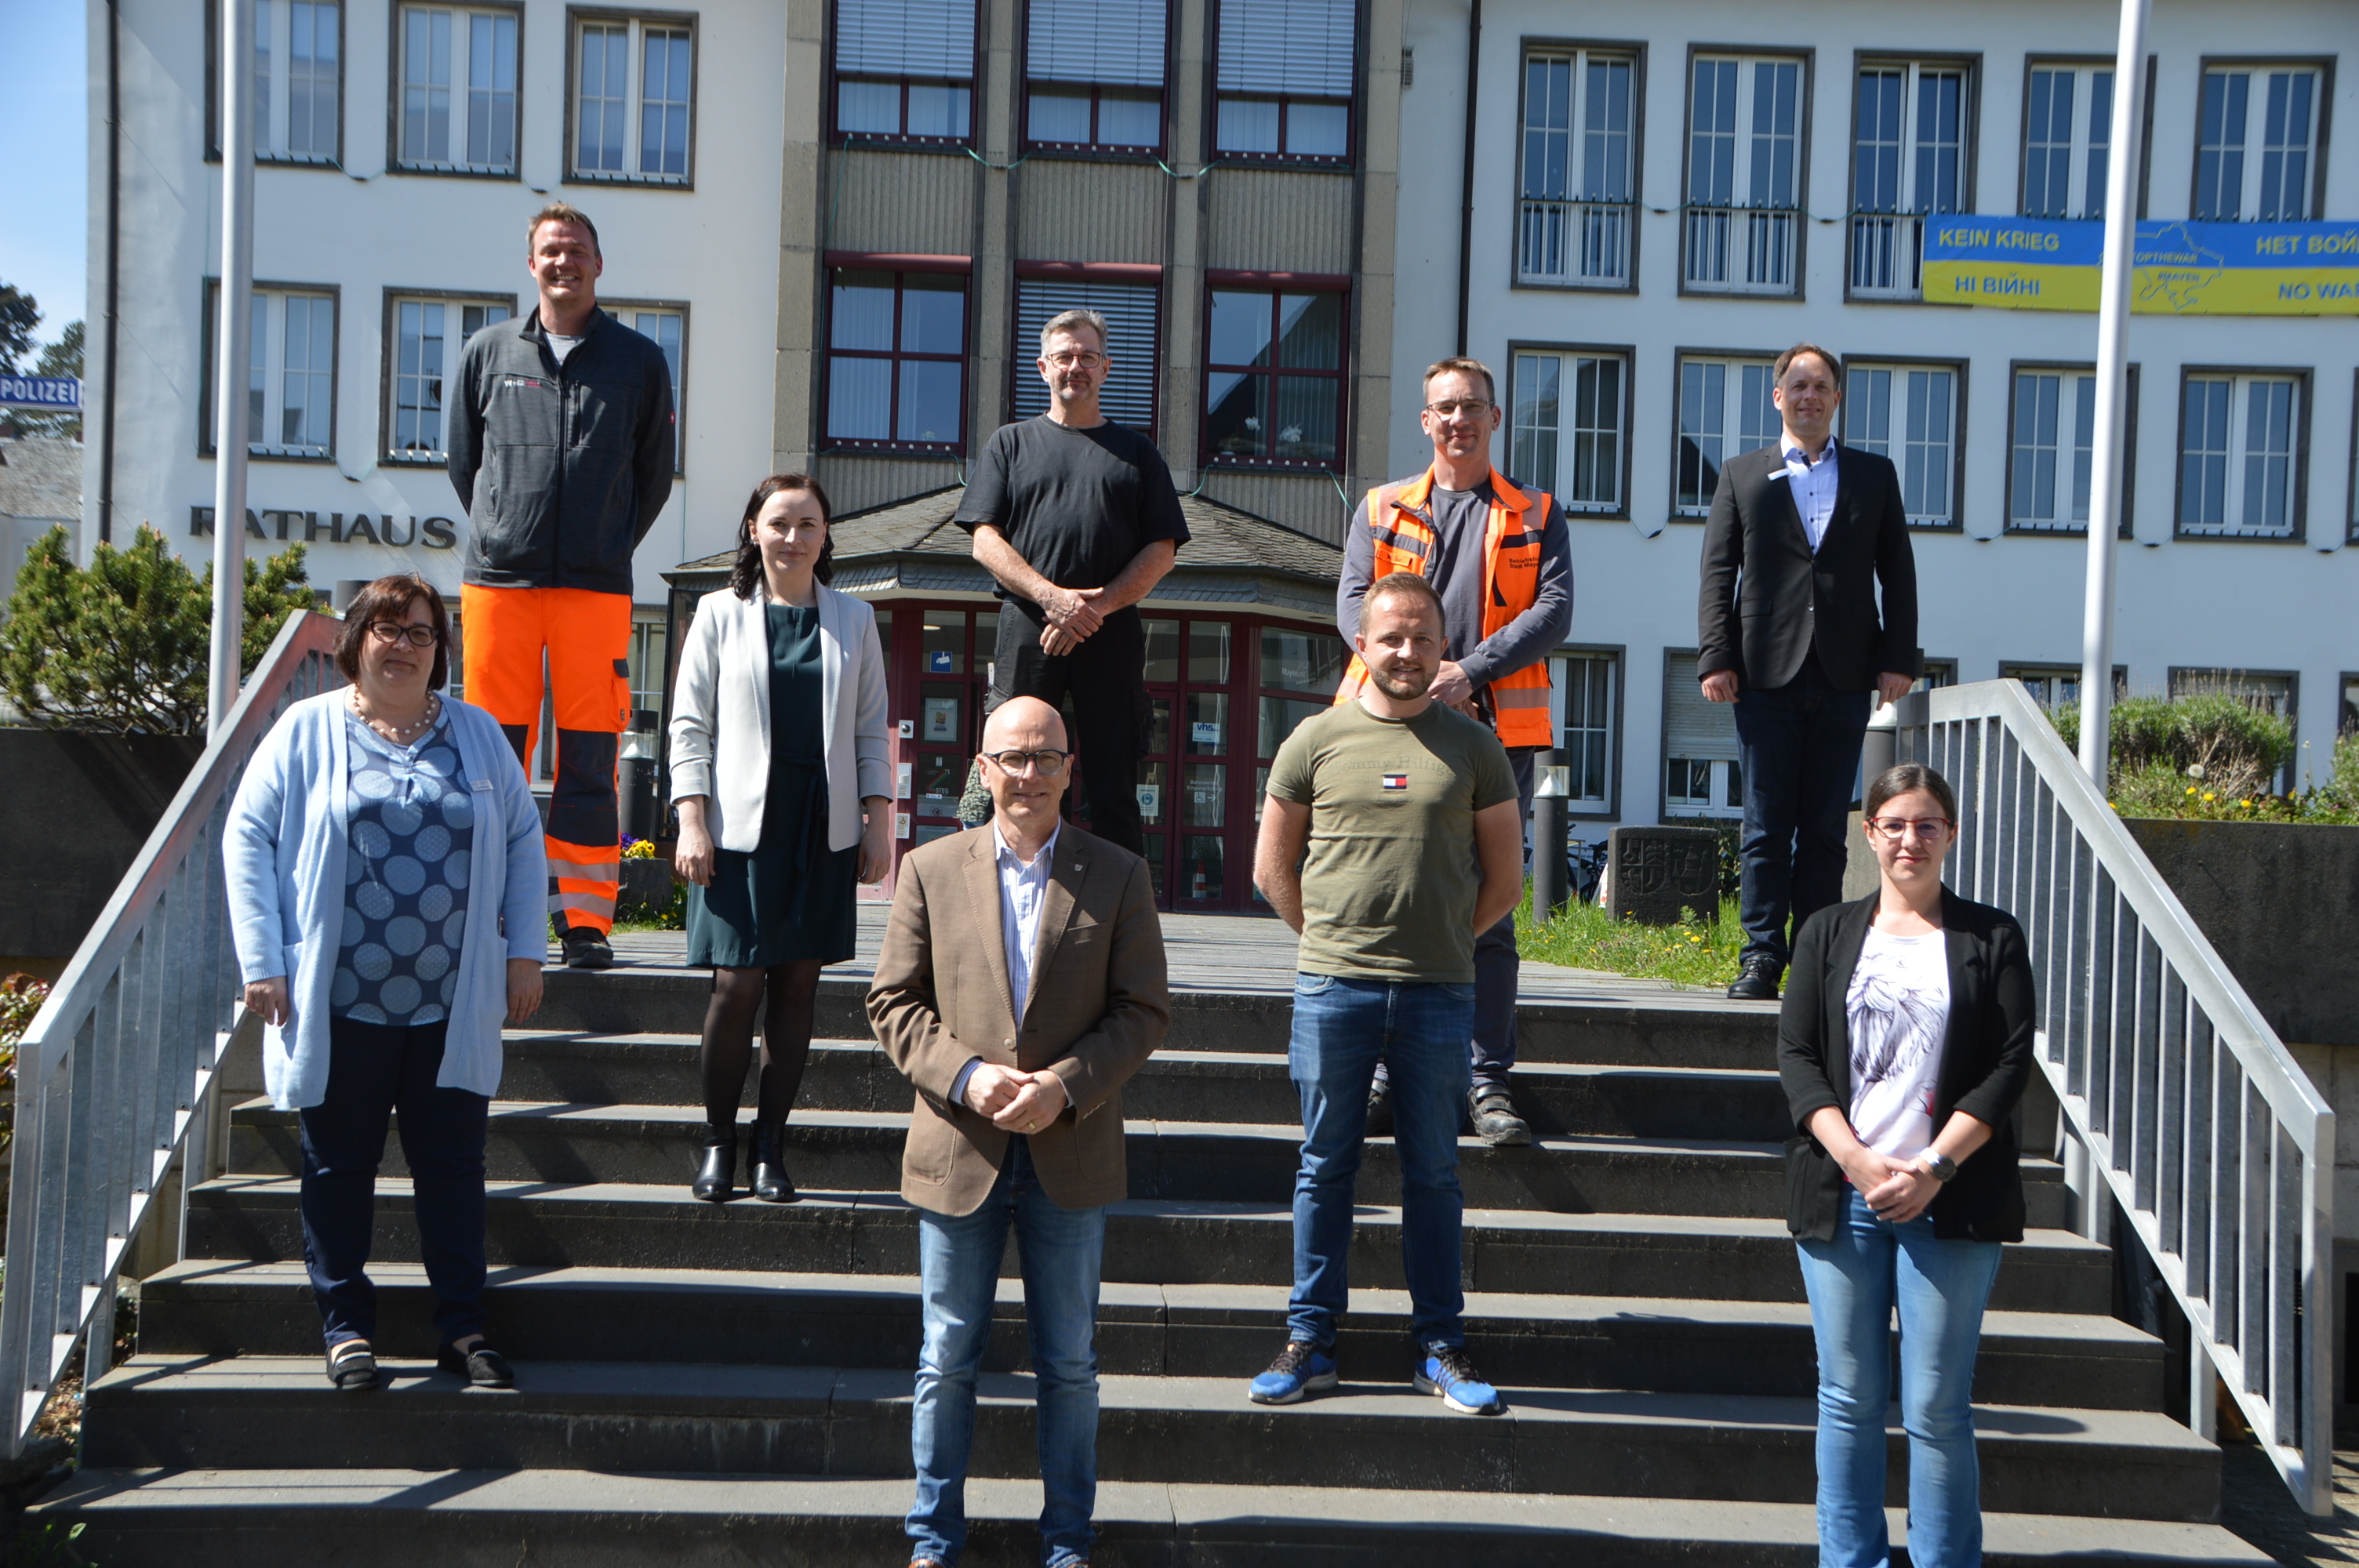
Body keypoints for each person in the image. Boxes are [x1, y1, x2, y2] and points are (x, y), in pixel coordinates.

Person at [224, 575, 547, 1392]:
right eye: (386, 627)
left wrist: (525, 954)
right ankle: (345, 1327)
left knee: (454, 1167)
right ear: (357, 640)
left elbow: (521, 842)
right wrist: (262, 957)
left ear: (441, 652)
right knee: (339, 1167)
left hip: (450, 1001)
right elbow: (246, 838)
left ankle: (463, 1326)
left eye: (421, 632)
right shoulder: (305, 730)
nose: (403, 643)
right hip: (341, 1003)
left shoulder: (476, 735)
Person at [867, 695, 1169, 1568]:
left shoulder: (1117, 872)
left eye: (1046, 757)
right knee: (945, 1355)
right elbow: (892, 1001)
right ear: (982, 768)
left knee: (1068, 1363)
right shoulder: (927, 868)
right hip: (959, 1145)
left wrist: (1064, 1086)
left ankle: (1067, 1539)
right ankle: (932, 1537)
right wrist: (967, 1073)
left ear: (1071, 769)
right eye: (1013, 756)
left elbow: (1142, 1008)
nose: (1029, 773)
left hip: (1069, 1149)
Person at [1248, 573, 1525, 1417]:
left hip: (1440, 994)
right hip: (1333, 988)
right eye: (1390, 636)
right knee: (1323, 1167)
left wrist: (1441, 944)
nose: (1406, 651)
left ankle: (1439, 1344)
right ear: (1359, 645)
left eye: (1422, 636)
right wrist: (1329, 939)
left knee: (1434, 1174)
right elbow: (1271, 869)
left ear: (1444, 647)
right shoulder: (1312, 739)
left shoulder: (1475, 747)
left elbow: (1506, 881)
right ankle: (1310, 1341)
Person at [1778, 763, 2034, 1568]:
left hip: (1947, 1197)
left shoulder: (1991, 936)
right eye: (1893, 823)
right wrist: (1853, 1159)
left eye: (1926, 824)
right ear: (1868, 833)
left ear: (1949, 835)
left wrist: (1930, 1166)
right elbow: (1795, 1056)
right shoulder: (1823, 931)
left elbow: (2006, 1063)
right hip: (1842, 1194)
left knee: (1934, 1404)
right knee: (1846, 1398)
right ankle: (1847, 1558)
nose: (1909, 839)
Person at [1336, 356, 1572, 1147]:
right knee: (1384, 895)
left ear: (1494, 419)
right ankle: (1380, 1069)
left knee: (1492, 907)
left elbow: (1554, 607)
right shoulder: (1379, 506)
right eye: (1442, 407)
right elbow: (1351, 605)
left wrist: (1467, 672)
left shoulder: (1535, 509)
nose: (1456, 420)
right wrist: (1411, 677)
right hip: (1386, 728)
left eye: (1471, 406)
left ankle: (1484, 1079)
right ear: (1423, 420)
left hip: (1494, 733)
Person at [447, 201, 677, 971]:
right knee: (491, 756)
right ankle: (491, 912)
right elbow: (463, 464)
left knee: (589, 758)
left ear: (598, 265)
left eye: (576, 250)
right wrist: (505, 528)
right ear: (531, 263)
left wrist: (605, 542)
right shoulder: (486, 353)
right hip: (499, 585)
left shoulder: (638, 362)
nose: (563, 262)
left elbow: (650, 479)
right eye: (550, 250)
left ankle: (584, 922)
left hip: (594, 590)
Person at [669, 474, 892, 1203]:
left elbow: (868, 731)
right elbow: (690, 726)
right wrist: (691, 819)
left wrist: (878, 821)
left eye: (808, 524)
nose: (793, 536)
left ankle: (772, 1148)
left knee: (799, 987)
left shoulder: (854, 621)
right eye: (780, 523)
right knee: (736, 986)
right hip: (737, 828)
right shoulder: (716, 614)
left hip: (819, 828)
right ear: (753, 531)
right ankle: (717, 1142)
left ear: (826, 536)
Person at [1697, 343, 1919, 1002]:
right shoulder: (1741, 475)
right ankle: (1761, 956)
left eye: (1821, 386)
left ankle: (1818, 957)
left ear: (1837, 397)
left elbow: (1897, 572)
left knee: (1825, 827)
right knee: (1766, 824)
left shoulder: (1874, 475)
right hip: (1764, 672)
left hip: (1847, 671)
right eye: (1797, 386)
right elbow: (1717, 573)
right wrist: (1716, 655)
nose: (1809, 397)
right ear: (1777, 396)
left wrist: (1897, 658)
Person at [958, 309, 1190, 858]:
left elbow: (1162, 551)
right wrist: (1052, 599)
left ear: (1106, 367)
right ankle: (1010, 886)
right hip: (1027, 630)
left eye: (1087, 356)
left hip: (1110, 633)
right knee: (1018, 767)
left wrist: (1096, 608)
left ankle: (1119, 912)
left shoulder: (1138, 454)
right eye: (1065, 356)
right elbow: (983, 540)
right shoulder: (1009, 445)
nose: (1076, 367)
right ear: (1044, 367)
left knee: (1114, 781)